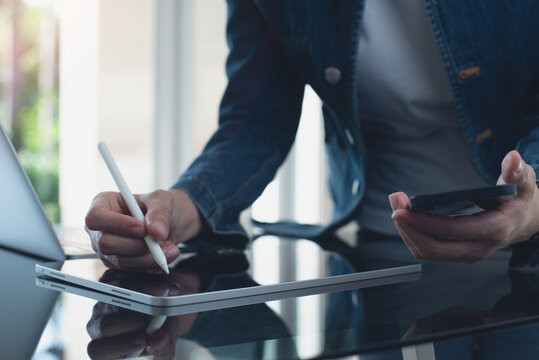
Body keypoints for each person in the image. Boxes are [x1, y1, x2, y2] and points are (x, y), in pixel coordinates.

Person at [85, 0, 539, 271]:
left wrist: (532, 204)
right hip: (375, 254)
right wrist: (179, 207)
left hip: (526, 249)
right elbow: (255, 120)